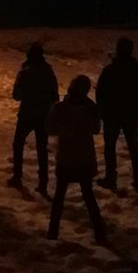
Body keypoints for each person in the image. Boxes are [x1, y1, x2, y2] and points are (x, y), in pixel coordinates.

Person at [47, 75, 107, 243]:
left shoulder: (60, 108)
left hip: (66, 158)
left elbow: (51, 128)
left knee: (59, 198)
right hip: (84, 159)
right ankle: (99, 233)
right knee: (88, 197)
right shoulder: (91, 108)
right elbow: (95, 129)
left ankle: (52, 232)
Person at [96, 37, 138, 194]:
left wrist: (102, 110)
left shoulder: (111, 69)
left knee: (110, 147)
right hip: (130, 114)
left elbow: (101, 92)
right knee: (133, 148)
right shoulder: (136, 69)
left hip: (112, 114)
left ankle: (110, 178)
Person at [9, 41, 59, 192]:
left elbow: (16, 95)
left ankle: (17, 176)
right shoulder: (48, 71)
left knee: (18, 144)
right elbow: (55, 95)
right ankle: (43, 182)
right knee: (42, 148)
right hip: (43, 114)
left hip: (27, 114)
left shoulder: (25, 72)